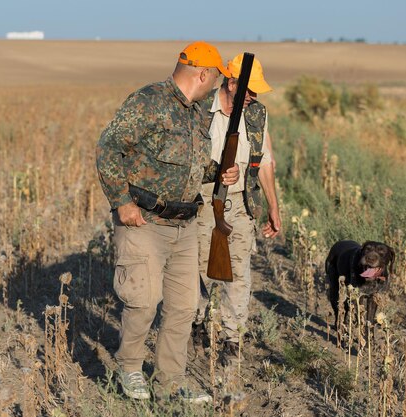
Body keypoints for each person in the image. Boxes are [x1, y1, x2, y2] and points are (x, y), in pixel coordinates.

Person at [96, 41, 239, 402]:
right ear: (203, 74)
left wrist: (220, 172)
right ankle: (129, 369)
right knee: (143, 300)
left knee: (183, 307)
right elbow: (109, 147)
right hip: (144, 220)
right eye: (215, 79)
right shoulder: (149, 101)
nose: (215, 86)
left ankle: (169, 383)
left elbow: (189, 166)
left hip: (185, 223)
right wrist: (121, 202)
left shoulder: (194, 113)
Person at [194, 54, 281, 362]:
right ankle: (198, 324)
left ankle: (233, 338)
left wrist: (273, 206)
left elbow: (264, 161)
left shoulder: (258, 114)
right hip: (204, 201)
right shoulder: (199, 110)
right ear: (231, 83)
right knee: (201, 270)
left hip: (242, 202)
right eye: (249, 90)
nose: (254, 97)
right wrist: (216, 171)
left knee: (240, 273)